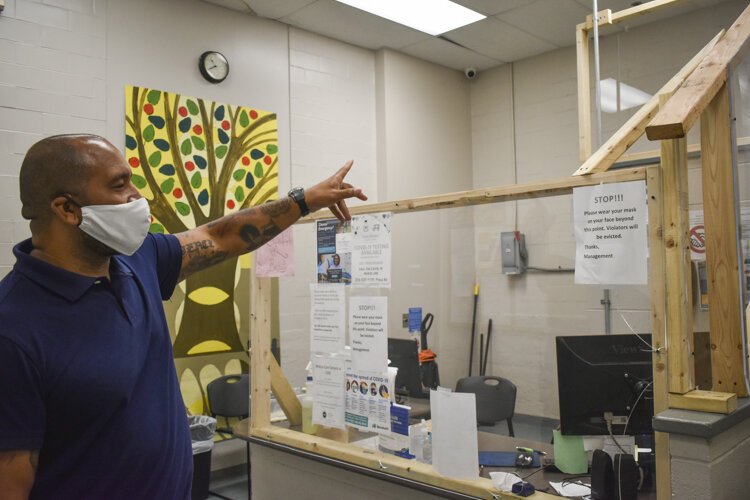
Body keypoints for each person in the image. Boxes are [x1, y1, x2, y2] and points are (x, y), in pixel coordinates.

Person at [0, 134, 367, 500]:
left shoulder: (137, 259)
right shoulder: (14, 328)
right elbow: (12, 482)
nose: (137, 197)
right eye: (119, 184)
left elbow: (218, 237)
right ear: (67, 209)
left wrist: (303, 201)